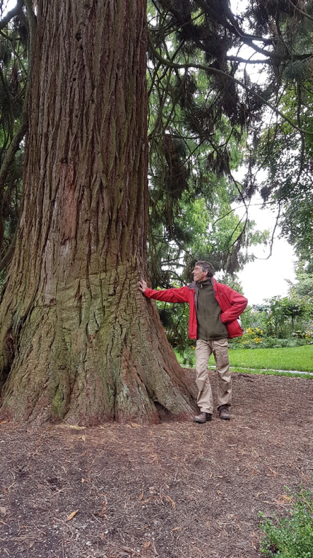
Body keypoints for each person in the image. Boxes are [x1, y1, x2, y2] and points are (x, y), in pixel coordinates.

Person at [139, 261, 248, 423]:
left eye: (196, 269)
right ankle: (206, 410)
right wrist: (149, 292)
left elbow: (242, 301)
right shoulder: (191, 290)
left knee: (223, 373)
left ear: (206, 272)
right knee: (200, 372)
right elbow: (171, 294)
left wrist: (225, 317)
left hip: (219, 338)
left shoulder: (221, 289)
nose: (192, 272)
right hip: (202, 340)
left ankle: (224, 406)